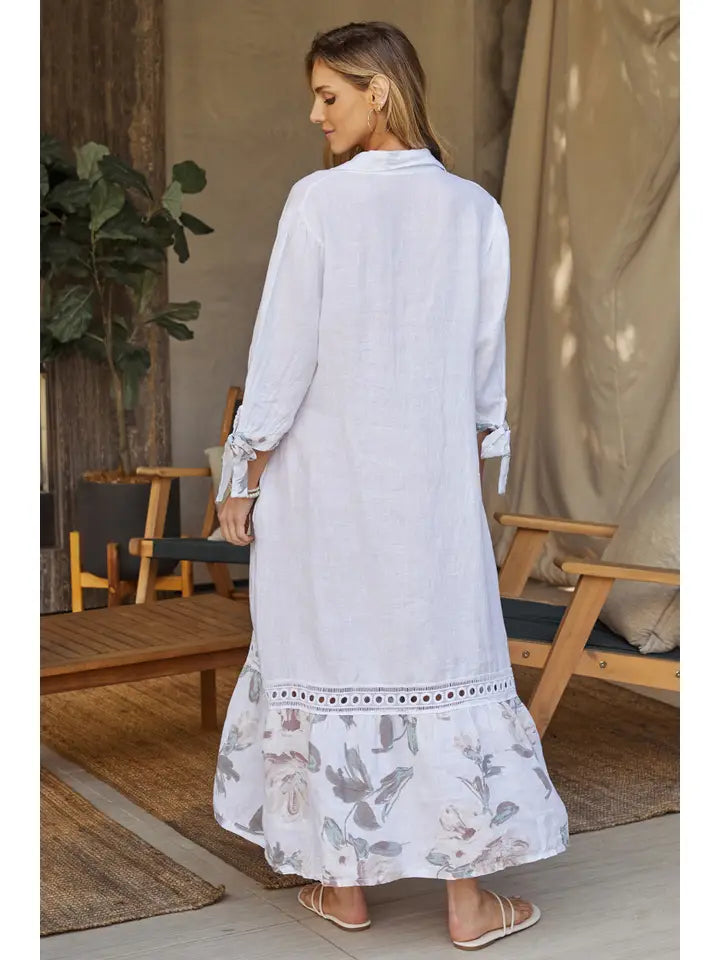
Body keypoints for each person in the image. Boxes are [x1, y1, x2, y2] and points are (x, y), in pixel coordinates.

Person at [213, 20, 569, 951]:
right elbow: (484, 368)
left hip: (323, 492)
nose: (315, 114)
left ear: (379, 90)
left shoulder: (318, 203)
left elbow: (283, 352)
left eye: (329, 95)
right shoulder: (474, 210)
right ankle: (468, 905)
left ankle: (346, 892)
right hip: (429, 495)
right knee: (439, 660)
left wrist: (242, 470)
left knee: (330, 656)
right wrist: (466, 460)